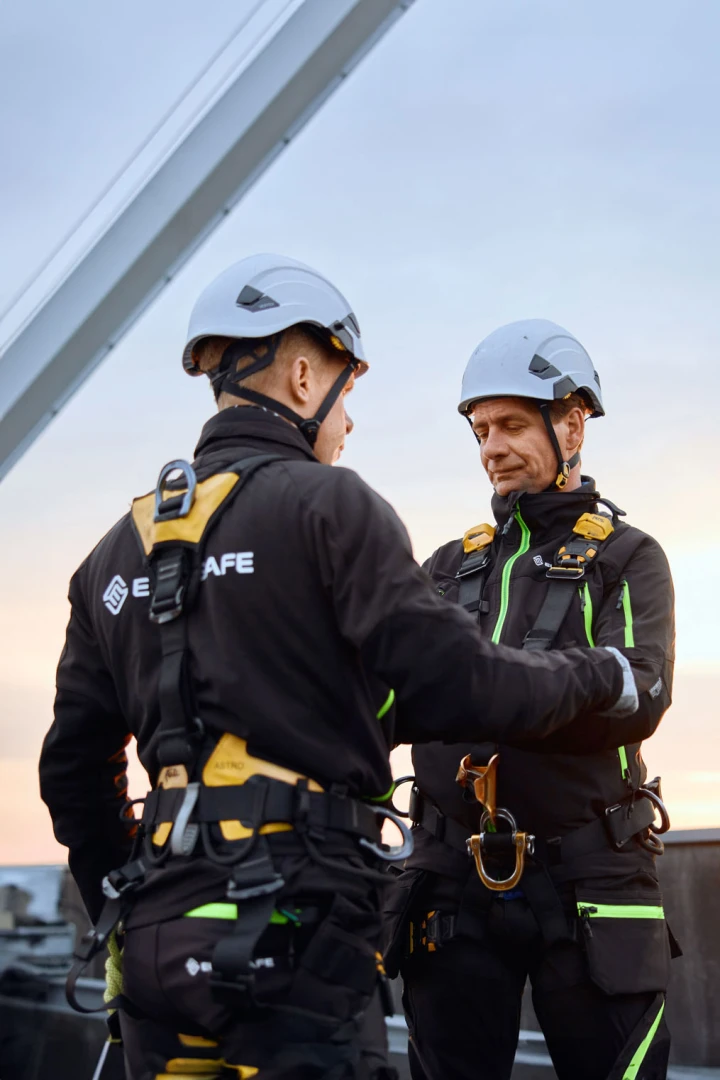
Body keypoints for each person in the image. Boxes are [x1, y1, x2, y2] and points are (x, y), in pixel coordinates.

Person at [40, 267, 640, 1080]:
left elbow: (73, 771)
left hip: (155, 936)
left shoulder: (118, 549)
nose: (348, 421)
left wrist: (120, 900)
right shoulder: (330, 508)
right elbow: (458, 684)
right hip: (293, 938)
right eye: (345, 388)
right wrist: (599, 678)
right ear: (301, 375)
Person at [393, 319, 676, 1080]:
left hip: (590, 881)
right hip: (449, 884)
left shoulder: (628, 557)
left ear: (573, 421)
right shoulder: (446, 568)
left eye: (512, 424)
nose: (491, 448)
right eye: (481, 429)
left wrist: (480, 689)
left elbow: (640, 692)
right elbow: (378, 694)